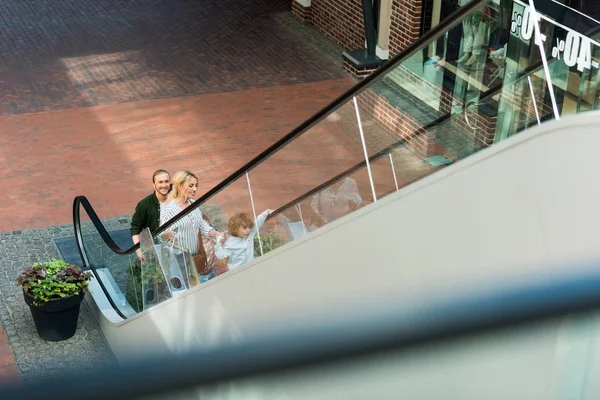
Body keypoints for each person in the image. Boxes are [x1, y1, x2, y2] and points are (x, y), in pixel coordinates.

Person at [160, 170, 221, 283]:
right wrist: (166, 235)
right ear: (180, 186)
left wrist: (217, 234)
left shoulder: (193, 204)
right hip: (180, 260)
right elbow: (160, 236)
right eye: (191, 185)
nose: (195, 189)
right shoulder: (170, 210)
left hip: (195, 257)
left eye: (196, 185)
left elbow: (202, 225)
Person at [131, 169, 171, 260]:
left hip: (177, 247)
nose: (164, 185)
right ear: (154, 184)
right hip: (156, 251)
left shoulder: (176, 200)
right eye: (160, 182)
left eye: (166, 181)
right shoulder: (144, 204)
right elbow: (135, 228)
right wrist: (138, 250)